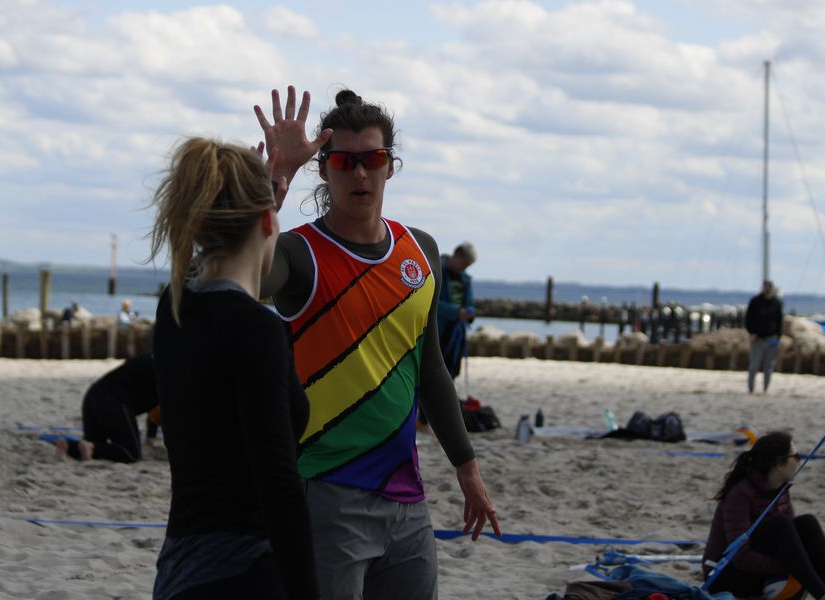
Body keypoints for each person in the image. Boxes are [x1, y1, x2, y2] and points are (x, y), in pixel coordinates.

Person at [254, 86, 501, 599]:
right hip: (326, 492)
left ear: (391, 166)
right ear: (324, 169)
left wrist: (467, 468)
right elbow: (239, 276)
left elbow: (431, 369)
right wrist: (275, 183)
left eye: (373, 159)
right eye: (344, 161)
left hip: (406, 498)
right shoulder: (299, 254)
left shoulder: (421, 251)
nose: (360, 174)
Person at [147, 137, 318, 599]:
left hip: (178, 572)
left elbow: (211, 262)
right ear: (267, 221)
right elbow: (278, 484)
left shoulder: (175, 308)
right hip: (241, 573)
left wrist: (265, 192)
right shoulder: (256, 330)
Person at [702, 431, 825, 600]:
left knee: (807, 523)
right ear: (778, 464)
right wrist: (792, 565)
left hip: (758, 569)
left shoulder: (780, 489)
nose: (799, 461)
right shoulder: (740, 493)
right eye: (796, 456)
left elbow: (793, 541)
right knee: (781, 524)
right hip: (723, 575)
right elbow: (741, 557)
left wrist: (798, 562)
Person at [54, 352, 160, 463]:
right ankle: (92, 447)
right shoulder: (168, 371)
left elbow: (156, 411)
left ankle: (69, 446)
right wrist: (151, 437)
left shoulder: (153, 358)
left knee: (93, 446)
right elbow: (160, 412)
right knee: (131, 454)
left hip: (92, 396)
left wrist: (150, 437)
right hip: (114, 401)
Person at [437, 242, 477, 379]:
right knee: (435, 367)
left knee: (452, 368)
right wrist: (456, 312)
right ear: (456, 255)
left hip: (457, 330)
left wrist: (470, 313)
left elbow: (470, 303)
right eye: (464, 264)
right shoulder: (436, 269)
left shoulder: (465, 278)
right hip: (439, 329)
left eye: (467, 266)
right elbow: (431, 302)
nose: (465, 268)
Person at [745, 280, 784, 393]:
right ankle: (751, 389)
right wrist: (751, 332)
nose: (767, 289)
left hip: (772, 339)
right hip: (758, 339)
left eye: (769, 287)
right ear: (763, 288)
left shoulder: (776, 303)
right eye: (766, 287)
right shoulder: (755, 301)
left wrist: (779, 336)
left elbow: (779, 320)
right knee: (754, 365)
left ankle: (765, 389)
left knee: (769, 366)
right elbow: (748, 318)